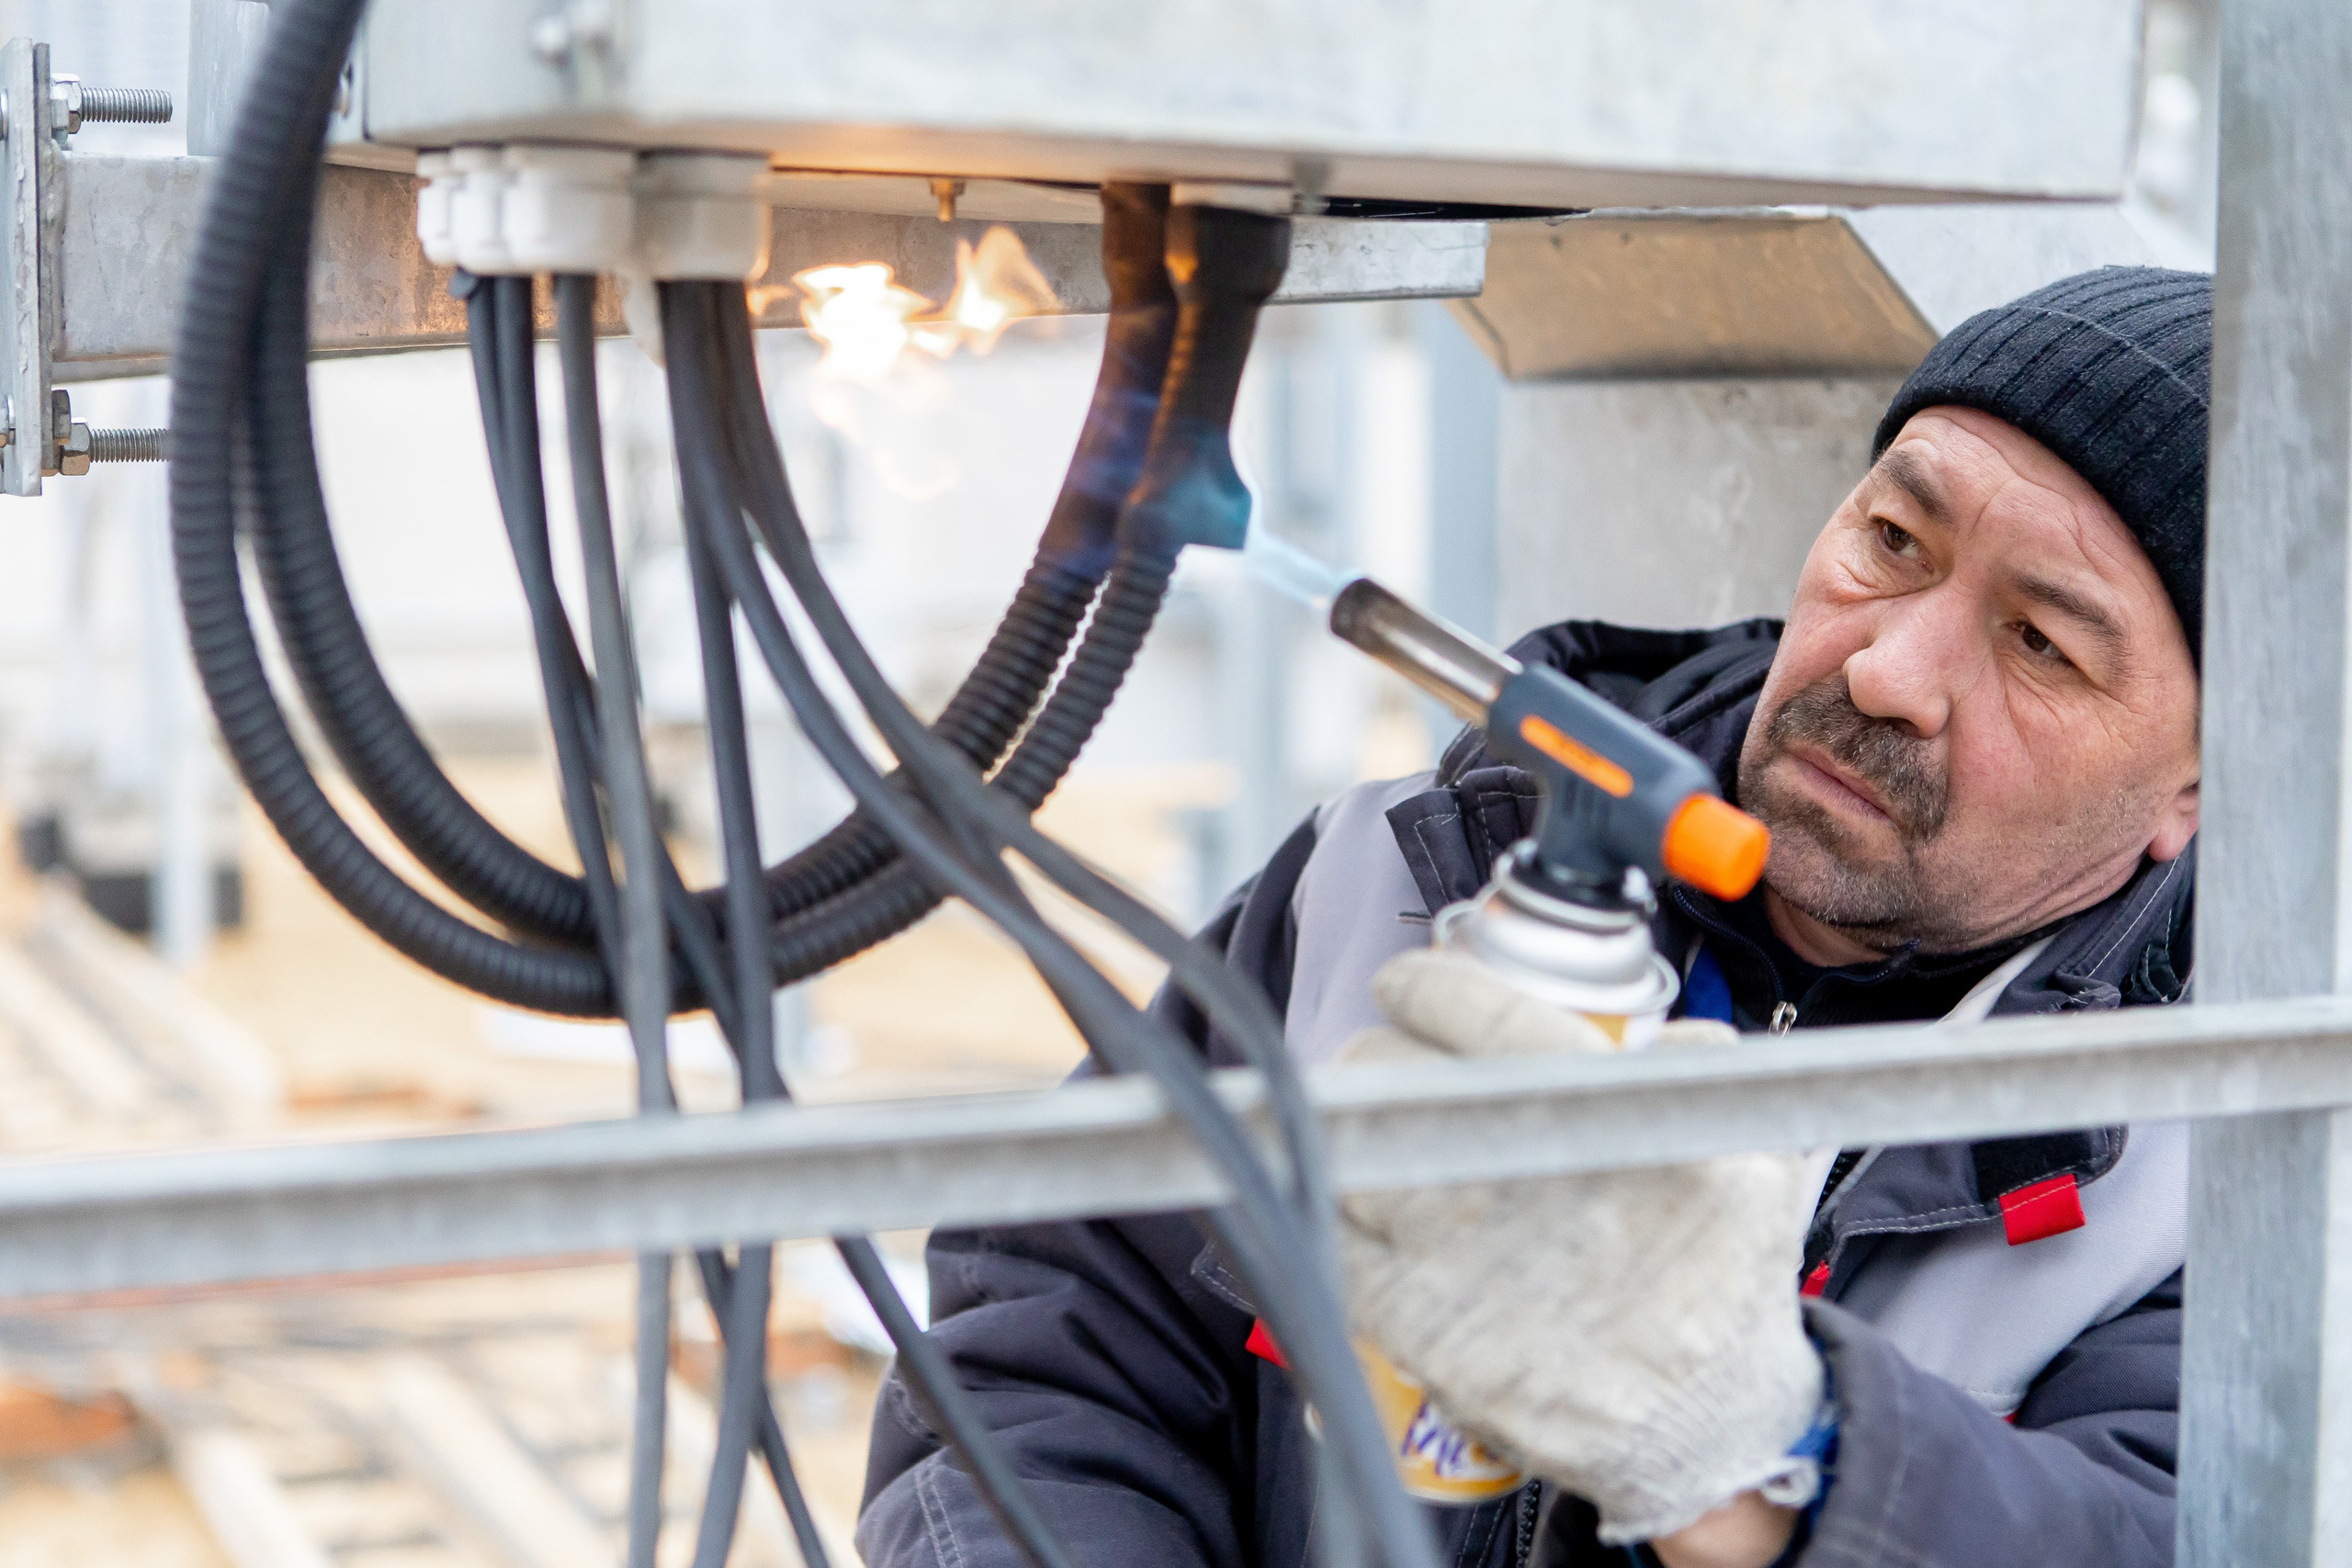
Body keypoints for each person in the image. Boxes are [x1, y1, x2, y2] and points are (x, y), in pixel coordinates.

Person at [855, 265, 2210, 1568]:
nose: (1888, 667)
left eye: (2043, 643)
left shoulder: (2230, 1165)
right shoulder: (1384, 885)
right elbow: (1040, 1356)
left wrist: (1765, 1453)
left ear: (2198, 786)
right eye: (1893, 540)